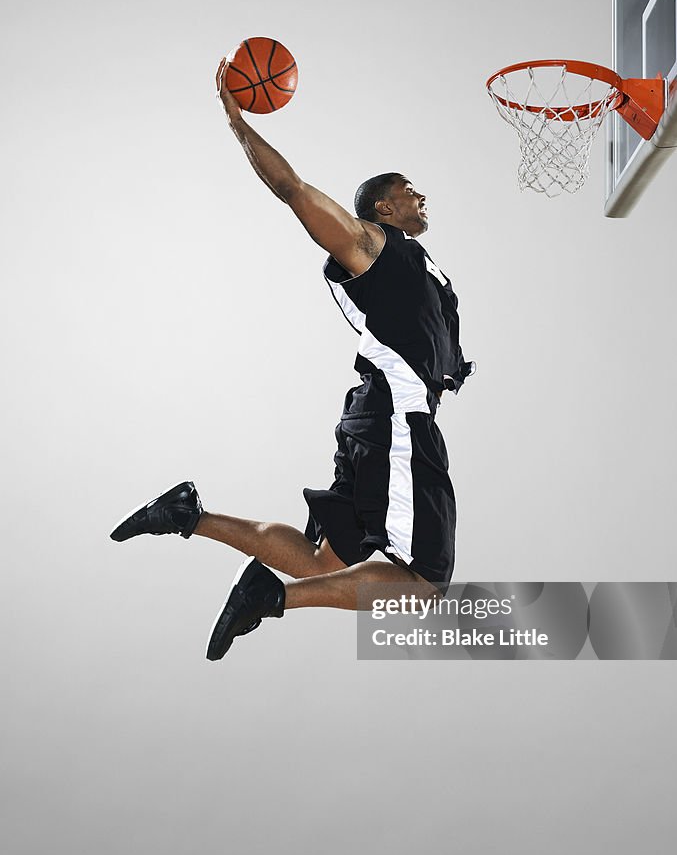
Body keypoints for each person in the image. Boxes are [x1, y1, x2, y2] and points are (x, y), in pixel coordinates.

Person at [109, 58, 474, 661]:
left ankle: (187, 515)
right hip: (396, 422)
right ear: (382, 209)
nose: (420, 195)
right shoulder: (370, 246)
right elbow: (294, 190)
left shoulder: (426, 272)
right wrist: (237, 123)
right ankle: (271, 598)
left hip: (374, 418)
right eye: (408, 189)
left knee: (323, 561)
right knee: (426, 583)